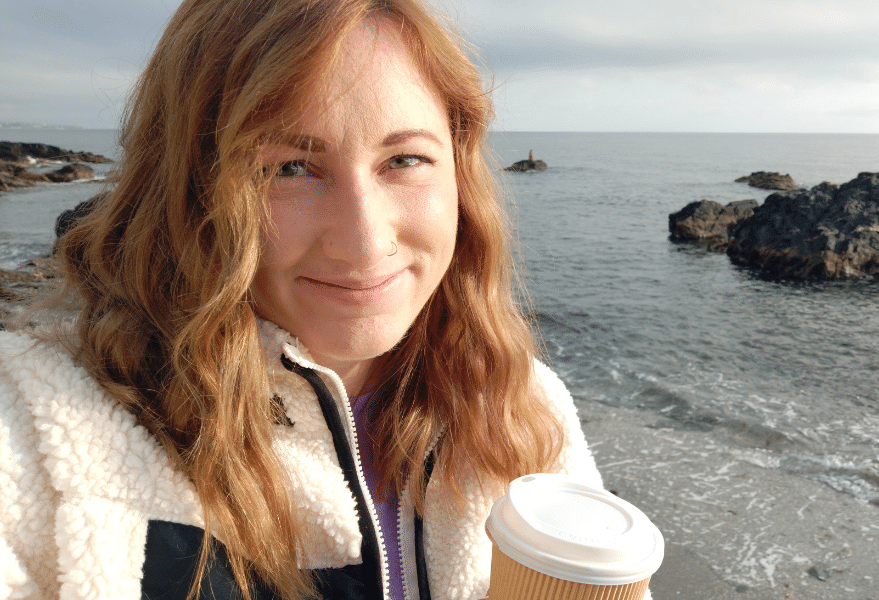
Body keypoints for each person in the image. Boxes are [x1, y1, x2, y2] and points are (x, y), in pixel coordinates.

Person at [0, 0, 604, 598]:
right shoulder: (33, 436)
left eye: (404, 159)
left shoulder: (522, 408)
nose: (364, 242)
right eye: (290, 167)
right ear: (185, 188)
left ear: (460, 175)